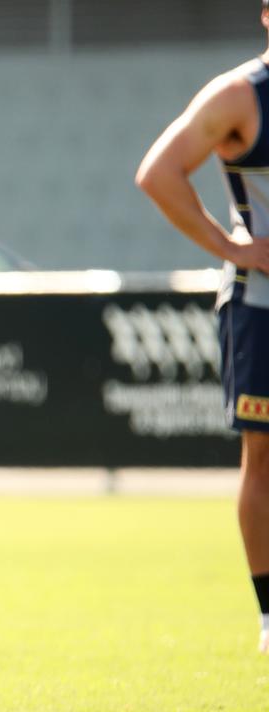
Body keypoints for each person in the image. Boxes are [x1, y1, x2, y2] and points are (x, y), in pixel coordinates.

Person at [137, 0, 269, 655]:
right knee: (264, 457)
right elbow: (158, 174)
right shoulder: (241, 97)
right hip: (261, 307)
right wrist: (235, 248)